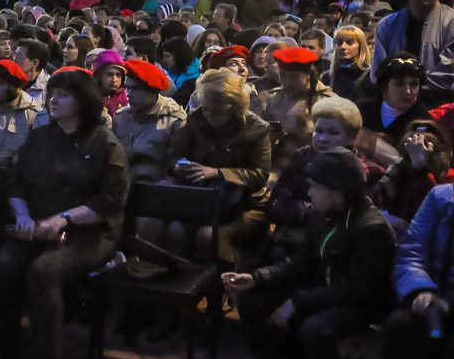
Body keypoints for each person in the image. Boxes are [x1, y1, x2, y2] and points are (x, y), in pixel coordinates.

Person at [223, 149, 395, 359]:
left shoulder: (372, 229)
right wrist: (255, 278)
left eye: (316, 186)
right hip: (323, 290)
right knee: (253, 300)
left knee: (316, 329)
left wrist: (297, 301)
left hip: (360, 303)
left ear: (339, 192)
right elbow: (300, 262)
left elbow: (354, 289)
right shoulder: (322, 215)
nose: (309, 191)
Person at [0, 68, 130, 359]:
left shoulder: (104, 143)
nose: (53, 100)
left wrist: (64, 219)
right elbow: (16, 182)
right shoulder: (41, 137)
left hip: (89, 232)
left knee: (43, 271)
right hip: (37, 225)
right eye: (52, 93)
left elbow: (110, 202)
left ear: (83, 101)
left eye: (63, 94)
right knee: (4, 265)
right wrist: (22, 215)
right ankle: (4, 349)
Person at [260, 97, 380, 267]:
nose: (323, 138)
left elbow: (350, 221)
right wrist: (310, 210)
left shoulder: (365, 170)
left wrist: (301, 209)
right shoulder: (302, 157)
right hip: (291, 244)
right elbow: (275, 205)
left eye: (333, 133)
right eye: (319, 130)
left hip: (336, 251)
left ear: (351, 137)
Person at [169, 69, 272, 267]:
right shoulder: (196, 119)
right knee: (175, 231)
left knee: (207, 236)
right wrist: (179, 167)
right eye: (206, 108)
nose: (208, 115)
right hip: (199, 198)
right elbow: (174, 155)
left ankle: (216, 288)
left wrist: (219, 173)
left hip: (241, 205)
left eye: (216, 111)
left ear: (233, 107)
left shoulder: (256, 128)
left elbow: (260, 174)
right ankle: (179, 285)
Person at [382, 182, 454, 359]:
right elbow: (411, 252)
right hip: (434, 292)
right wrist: (420, 289)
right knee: (401, 328)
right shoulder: (441, 196)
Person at [371, 0, 454, 104]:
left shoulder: (451, 23)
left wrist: (403, 87)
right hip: (396, 107)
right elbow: (377, 73)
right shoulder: (386, 25)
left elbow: (447, 75)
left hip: (440, 107)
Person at [112, 59, 186, 184]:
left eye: (136, 89)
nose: (129, 94)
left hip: (157, 189)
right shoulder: (121, 117)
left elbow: (177, 168)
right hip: (122, 187)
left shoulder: (173, 120)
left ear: (153, 90)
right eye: (127, 88)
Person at [374, 119, 454, 234]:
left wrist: (421, 169)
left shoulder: (450, 181)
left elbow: (433, 213)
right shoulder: (394, 175)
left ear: (441, 154)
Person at [357, 52, 429, 144]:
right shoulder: (360, 112)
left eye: (414, 84)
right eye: (400, 84)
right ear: (384, 87)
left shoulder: (424, 122)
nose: (408, 91)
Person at [322, 25, 373, 102]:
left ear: (361, 46)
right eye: (339, 43)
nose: (343, 47)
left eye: (349, 43)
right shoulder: (326, 77)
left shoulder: (370, 76)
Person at [91, 49, 128, 116]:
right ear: (100, 75)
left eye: (118, 75)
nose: (114, 80)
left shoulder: (127, 97)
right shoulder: (91, 96)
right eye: (109, 74)